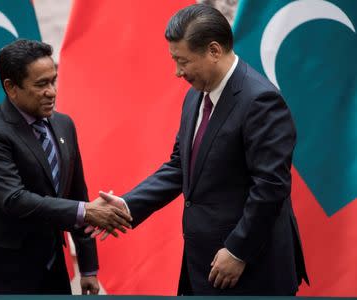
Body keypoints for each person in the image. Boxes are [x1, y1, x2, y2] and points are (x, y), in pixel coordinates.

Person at [97, 3, 309, 296]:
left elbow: (270, 187)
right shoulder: (196, 96)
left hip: (249, 267)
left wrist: (237, 251)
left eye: (182, 61)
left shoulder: (260, 102)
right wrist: (128, 204)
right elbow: (180, 165)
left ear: (213, 50)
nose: (177, 72)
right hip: (203, 265)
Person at [0, 39, 131, 294]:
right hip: (0, 276)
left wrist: (88, 269)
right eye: (41, 85)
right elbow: (14, 199)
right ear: (11, 87)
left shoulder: (64, 125)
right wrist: (85, 211)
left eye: (53, 80)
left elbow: (76, 195)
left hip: (51, 271)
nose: (52, 91)